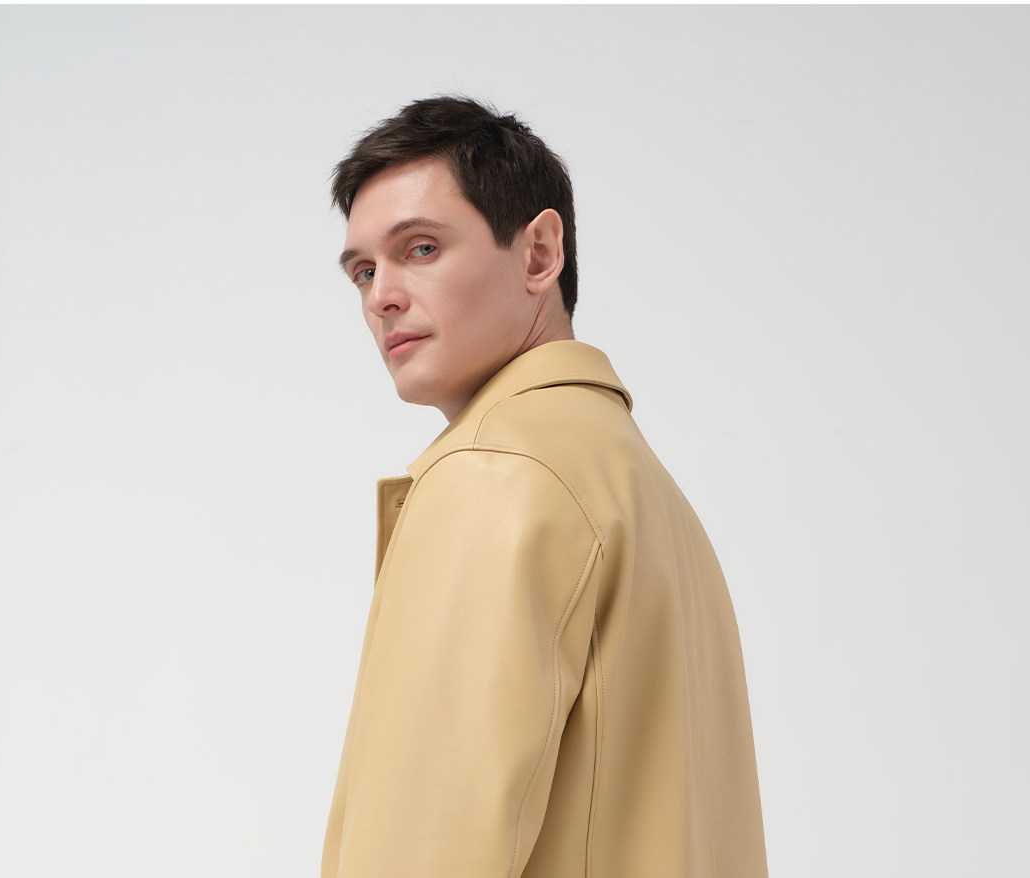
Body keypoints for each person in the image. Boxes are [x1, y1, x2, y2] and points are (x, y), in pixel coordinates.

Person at [322, 96, 768, 878]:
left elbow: (424, 846)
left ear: (538, 253)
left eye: (420, 248)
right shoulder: (640, 486)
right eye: (363, 270)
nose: (380, 295)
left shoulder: (494, 475)